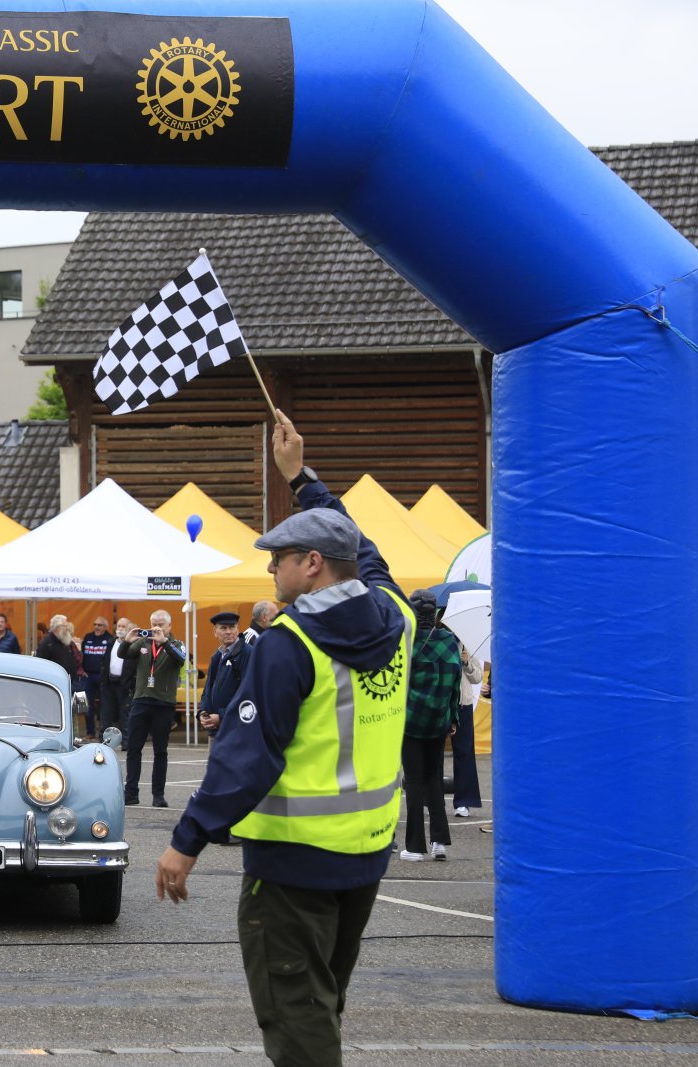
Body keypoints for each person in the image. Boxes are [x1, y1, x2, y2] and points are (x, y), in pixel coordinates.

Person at [156, 409, 414, 1067]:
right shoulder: (398, 614)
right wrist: (301, 479)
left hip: (294, 865)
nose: (272, 569)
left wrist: (187, 839)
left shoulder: (287, 644)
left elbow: (247, 757)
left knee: (299, 1017)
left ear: (312, 564)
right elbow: (364, 550)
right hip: (366, 852)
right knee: (322, 1002)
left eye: (280, 558)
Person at [401, 591, 461, 861]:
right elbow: (455, 684)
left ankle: (415, 847)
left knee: (413, 780)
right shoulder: (449, 641)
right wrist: (453, 718)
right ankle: (440, 842)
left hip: (411, 720)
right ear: (435, 612)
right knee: (432, 779)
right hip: (439, 720)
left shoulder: (407, 642)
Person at [119, 610, 188, 807]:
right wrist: (126, 641)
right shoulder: (143, 642)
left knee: (160, 750)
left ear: (169, 626)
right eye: (154, 624)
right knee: (134, 748)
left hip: (163, 703)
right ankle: (131, 792)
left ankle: (158, 795)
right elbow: (122, 654)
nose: (156, 628)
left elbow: (180, 659)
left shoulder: (176, 644)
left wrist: (164, 642)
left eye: (161, 624)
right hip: (141, 700)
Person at [199, 611, 248, 741]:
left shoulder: (247, 654)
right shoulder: (217, 656)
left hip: (237, 730)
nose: (228, 632)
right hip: (215, 730)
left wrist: (222, 716)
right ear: (215, 632)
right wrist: (203, 712)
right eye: (223, 628)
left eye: (232, 627)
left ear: (238, 629)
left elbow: (248, 694)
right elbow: (208, 689)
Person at [451, 642, 484, 817]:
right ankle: (430, 799)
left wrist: (467, 663)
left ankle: (463, 802)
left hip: (462, 704)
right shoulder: (436, 639)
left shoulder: (467, 645)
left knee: (464, 752)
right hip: (439, 702)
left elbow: (477, 677)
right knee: (432, 752)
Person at [78, 616, 115, 738]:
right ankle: (90, 732)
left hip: (103, 677)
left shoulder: (110, 639)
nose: (96, 627)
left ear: (105, 627)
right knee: (85, 704)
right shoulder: (88, 637)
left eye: (99, 625)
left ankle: (104, 732)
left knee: (105, 705)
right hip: (88, 676)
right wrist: (81, 670)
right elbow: (80, 655)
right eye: (95, 624)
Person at [103, 616, 138, 745]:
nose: (120, 629)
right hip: (109, 682)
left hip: (125, 684)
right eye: (119, 626)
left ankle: (126, 742)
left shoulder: (133, 644)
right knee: (106, 713)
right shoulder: (111, 642)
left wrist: (131, 683)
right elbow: (105, 662)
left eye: (124, 626)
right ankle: (104, 741)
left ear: (129, 628)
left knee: (125, 714)